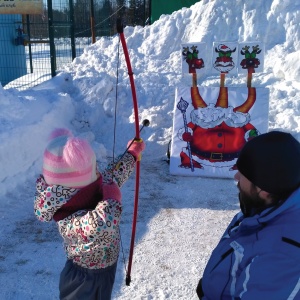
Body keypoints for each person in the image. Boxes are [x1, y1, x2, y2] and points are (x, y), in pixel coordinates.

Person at [34, 128, 145, 300]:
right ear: (78, 185)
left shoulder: (90, 186)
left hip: (106, 269)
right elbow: (102, 224)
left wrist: (131, 154)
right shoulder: (67, 217)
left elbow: (113, 174)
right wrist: (112, 197)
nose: (99, 174)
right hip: (83, 279)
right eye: (94, 171)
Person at [196, 130, 300, 300]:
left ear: (264, 191)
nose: (236, 177)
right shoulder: (266, 206)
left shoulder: (281, 256)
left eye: (243, 174)